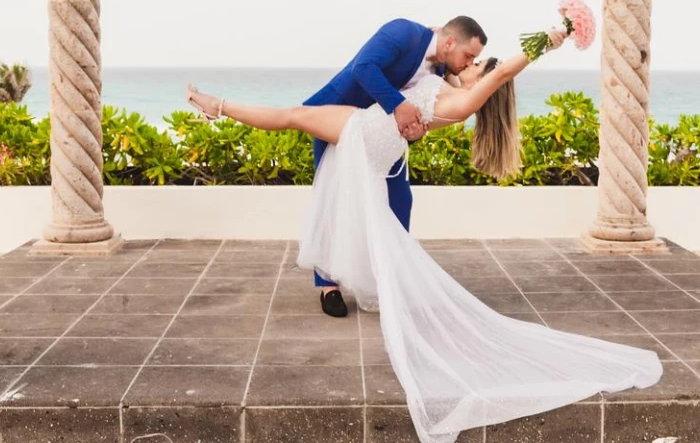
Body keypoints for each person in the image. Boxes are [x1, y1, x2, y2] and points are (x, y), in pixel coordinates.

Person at [184, 29, 662, 443]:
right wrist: (449, 50)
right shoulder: (446, 81)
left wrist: (549, 41)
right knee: (292, 118)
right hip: (375, 135)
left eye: (477, 67)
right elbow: (438, 52)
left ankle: (215, 105)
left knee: (291, 115)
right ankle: (215, 105)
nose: (470, 67)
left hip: (367, 134)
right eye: (469, 60)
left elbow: (500, 74)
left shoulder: (464, 98)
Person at [304, 16, 487, 316]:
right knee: (333, 199)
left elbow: (428, 106)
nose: (469, 63)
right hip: (336, 118)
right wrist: (399, 107)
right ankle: (328, 285)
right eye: (469, 56)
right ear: (450, 42)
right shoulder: (403, 32)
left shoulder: (441, 68)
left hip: (380, 136)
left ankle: (391, 276)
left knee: (401, 199)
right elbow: (363, 68)